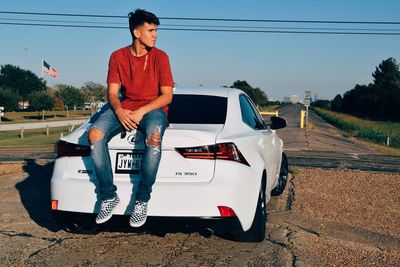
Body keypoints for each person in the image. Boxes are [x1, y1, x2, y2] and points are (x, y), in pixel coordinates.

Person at [88, 9, 174, 227]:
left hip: (153, 110)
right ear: (137, 32)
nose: (155, 35)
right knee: (94, 134)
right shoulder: (117, 56)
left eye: (156, 31)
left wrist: (142, 112)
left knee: (154, 136)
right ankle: (108, 195)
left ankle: (142, 200)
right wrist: (118, 110)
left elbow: (167, 96)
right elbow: (111, 93)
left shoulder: (161, 57)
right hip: (124, 108)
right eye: (151, 30)